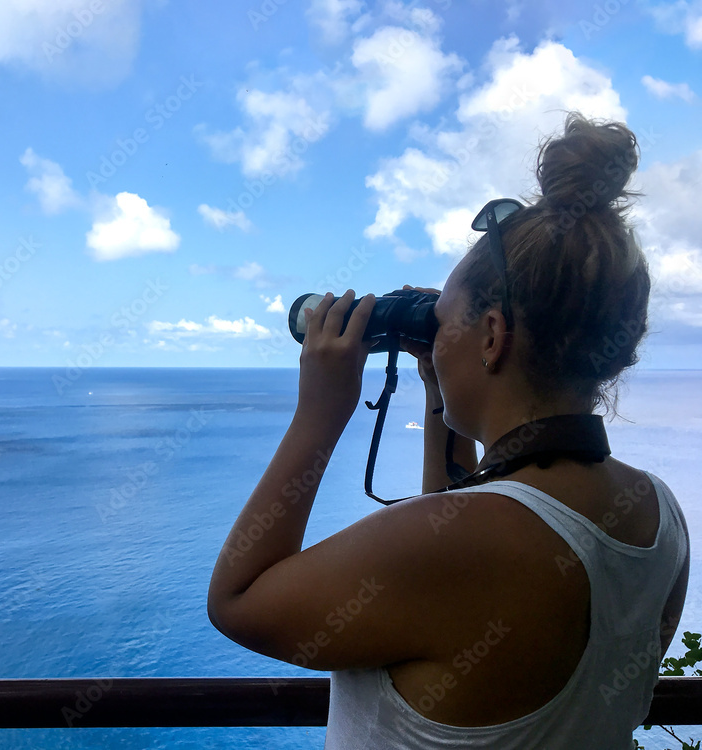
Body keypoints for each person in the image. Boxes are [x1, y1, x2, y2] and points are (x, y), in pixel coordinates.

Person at [207, 112, 691, 749]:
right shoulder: (658, 514)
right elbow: (462, 527)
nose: (437, 343)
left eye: (444, 324)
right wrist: (438, 386)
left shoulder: (463, 547)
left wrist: (318, 415)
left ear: (491, 337)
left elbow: (238, 600)